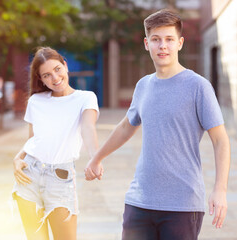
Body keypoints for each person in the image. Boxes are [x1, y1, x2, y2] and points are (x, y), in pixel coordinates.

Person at [85, 9, 230, 240]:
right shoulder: (143, 86)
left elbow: (221, 140)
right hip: (139, 201)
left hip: (182, 205)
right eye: (156, 39)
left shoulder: (198, 86)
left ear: (180, 43)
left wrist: (220, 189)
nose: (163, 46)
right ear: (146, 43)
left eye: (169, 39)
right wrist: (96, 158)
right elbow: (125, 127)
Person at [12, 47, 100, 240]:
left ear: (65, 66)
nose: (55, 77)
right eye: (47, 75)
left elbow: (87, 128)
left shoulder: (85, 98)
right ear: (41, 79)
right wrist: (17, 158)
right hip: (29, 176)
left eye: (58, 69)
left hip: (60, 179)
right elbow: (33, 139)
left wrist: (95, 158)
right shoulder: (36, 101)